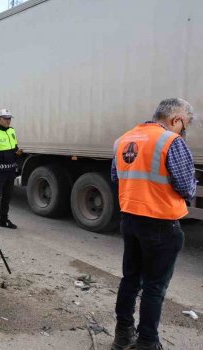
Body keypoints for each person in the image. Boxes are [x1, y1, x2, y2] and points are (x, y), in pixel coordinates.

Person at [111, 98, 197, 350]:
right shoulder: (171, 141)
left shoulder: (123, 139)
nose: (184, 130)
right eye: (185, 124)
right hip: (161, 223)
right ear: (176, 120)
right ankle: (147, 341)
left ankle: (122, 335)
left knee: (130, 279)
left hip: (130, 220)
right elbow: (185, 186)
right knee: (154, 286)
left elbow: (116, 177)